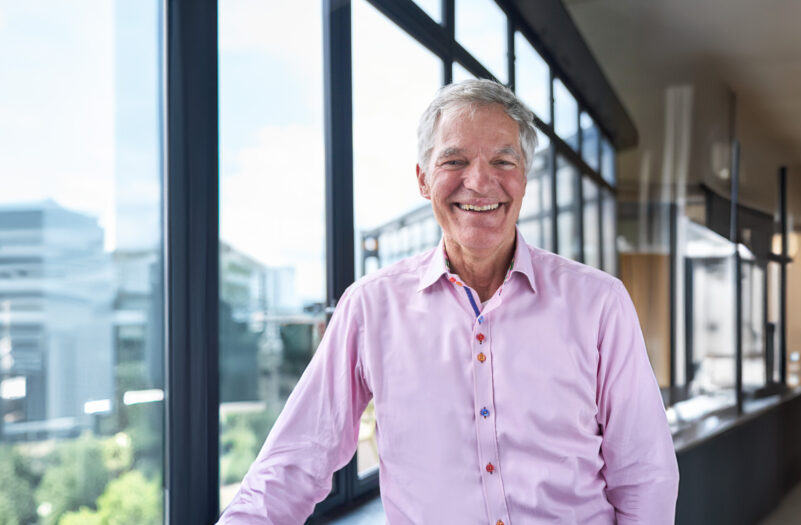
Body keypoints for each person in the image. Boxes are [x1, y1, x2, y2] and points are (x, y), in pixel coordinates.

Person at [217, 79, 679, 524]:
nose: (479, 183)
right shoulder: (370, 309)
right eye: (454, 160)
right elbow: (292, 465)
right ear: (423, 179)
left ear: (524, 177)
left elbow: (644, 474)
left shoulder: (600, 304)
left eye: (503, 160)